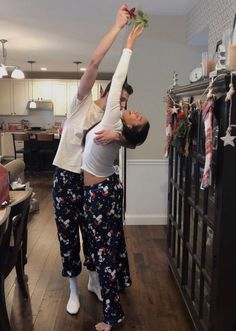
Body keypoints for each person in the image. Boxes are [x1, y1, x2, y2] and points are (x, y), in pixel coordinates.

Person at [52, 5, 132, 315]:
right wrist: (117, 27)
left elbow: (133, 141)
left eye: (125, 102)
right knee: (67, 233)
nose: (122, 105)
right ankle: (73, 287)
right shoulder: (81, 104)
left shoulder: (113, 122)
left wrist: (120, 137)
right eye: (120, 98)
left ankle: (95, 280)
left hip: (92, 184)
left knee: (94, 236)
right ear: (109, 89)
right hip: (64, 177)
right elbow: (95, 61)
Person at [81, 24, 149, 331]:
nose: (132, 109)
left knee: (104, 253)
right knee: (108, 246)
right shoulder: (116, 127)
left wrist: (129, 44)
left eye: (136, 116)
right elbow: (131, 139)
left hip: (101, 194)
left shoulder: (114, 123)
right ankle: (120, 282)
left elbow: (118, 76)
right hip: (103, 191)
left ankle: (112, 316)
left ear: (131, 127)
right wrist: (117, 134)